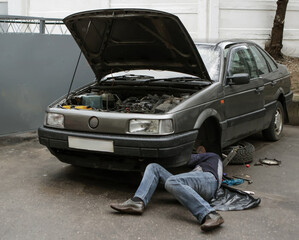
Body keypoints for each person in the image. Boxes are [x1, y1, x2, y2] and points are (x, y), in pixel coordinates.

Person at [110, 146, 224, 231]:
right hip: (199, 187)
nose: (197, 152)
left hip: (208, 180)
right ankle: (138, 201)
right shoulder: (200, 167)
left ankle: (210, 214)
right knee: (154, 167)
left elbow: (187, 159)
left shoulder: (211, 156)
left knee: (172, 181)